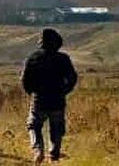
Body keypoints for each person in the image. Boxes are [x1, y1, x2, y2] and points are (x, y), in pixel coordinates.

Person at [21, 28, 78, 163]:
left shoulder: (33, 58)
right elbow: (72, 78)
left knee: (34, 125)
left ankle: (38, 150)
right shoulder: (63, 59)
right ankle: (54, 153)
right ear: (57, 44)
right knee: (57, 128)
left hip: (39, 99)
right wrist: (65, 91)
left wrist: (32, 92)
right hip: (58, 99)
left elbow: (24, 80)